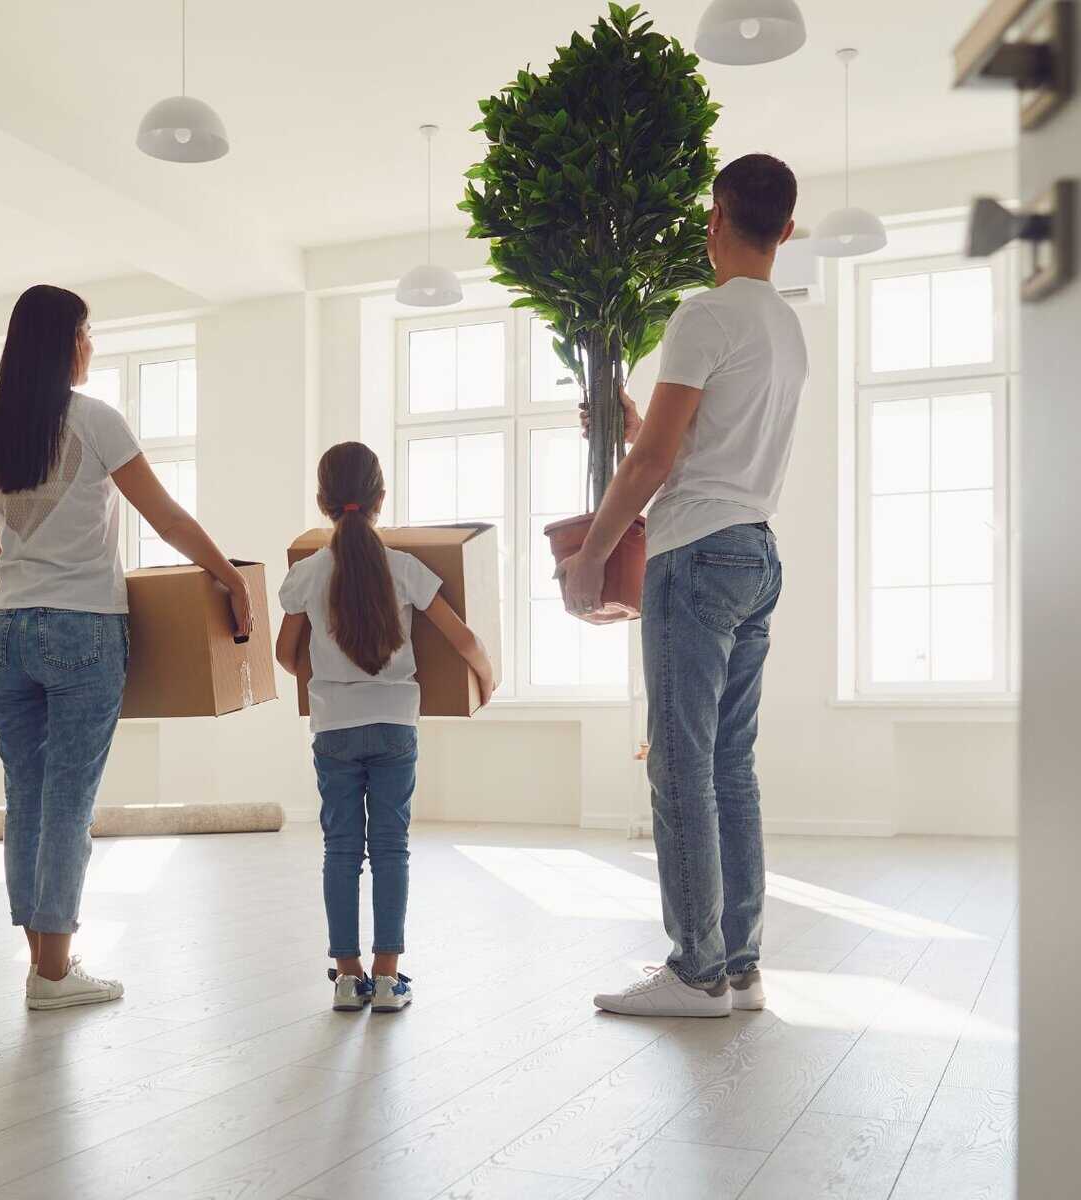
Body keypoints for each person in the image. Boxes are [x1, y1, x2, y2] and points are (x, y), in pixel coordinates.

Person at [556, 153, 805, 1017]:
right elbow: (688, 442)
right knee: (729, 764)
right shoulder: (784, 326)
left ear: (716, 219)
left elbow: (663, 462)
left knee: (678, 766)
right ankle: (738, 965)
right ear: (786, 227)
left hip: (695, 553)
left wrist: (590, 550)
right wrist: (634, 425)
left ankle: (692, 971)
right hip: (754, 552)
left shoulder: (705, 314)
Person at [0, 284, 252, 1011]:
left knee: (25, 800)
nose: (91, 343)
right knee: (67, 803)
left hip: (5, 632)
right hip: (81, 630)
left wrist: (13, 595)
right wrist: (228, 577)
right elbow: (163, 518)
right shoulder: (94, 420)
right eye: (88, 331)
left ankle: (45, 968)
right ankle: (55, 974)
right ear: (64, 340)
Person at [274, 442, 495, 1013]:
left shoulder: (306, 574)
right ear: (381, 499)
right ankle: (389, 977)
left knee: (341, 850)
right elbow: (463, 639)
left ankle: (348, 978)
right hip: (396, 723)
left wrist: (324, 680)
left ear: (323, 501)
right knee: (391, 848)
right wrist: (486, 678)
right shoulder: (405, 569)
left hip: (334, 729)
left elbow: (284, 654)